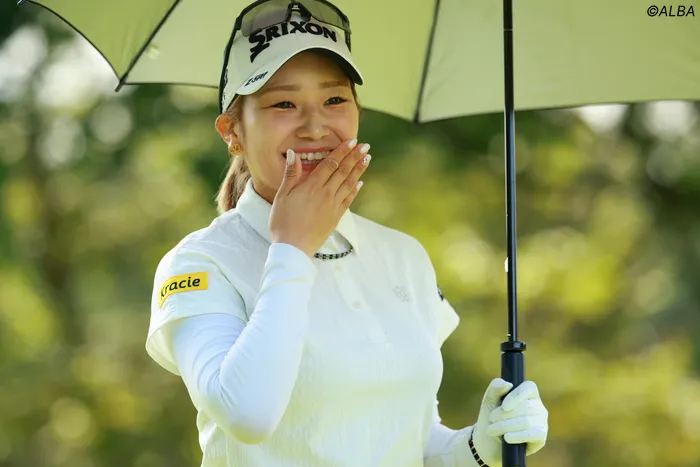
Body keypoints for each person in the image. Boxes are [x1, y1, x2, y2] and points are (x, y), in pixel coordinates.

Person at [145, 1, 549, 466]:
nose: (315, 127)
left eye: (334, 100)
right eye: (283, 103)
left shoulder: (403, 255)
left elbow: (412, 439)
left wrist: (480, 447)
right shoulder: (199, 263)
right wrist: (292, 247)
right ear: (231, 131)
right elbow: (247, 415)